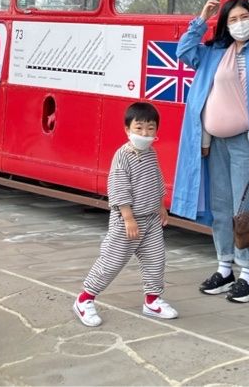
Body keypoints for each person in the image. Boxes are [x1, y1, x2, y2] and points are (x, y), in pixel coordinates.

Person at [171, 0, 249, 304]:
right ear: (225, 24)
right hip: (213, 144)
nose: (239, 23)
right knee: (221, 209)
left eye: (243, 17)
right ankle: (225, 269)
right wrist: (201, 20)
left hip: (246, 145)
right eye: (233, 19)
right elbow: (183, 51)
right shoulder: (213, 52)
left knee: (246, 209)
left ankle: (248, 276)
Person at [73, 101, 177, 328]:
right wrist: (128, 218)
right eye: (139, 127)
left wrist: (160, 205)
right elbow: (119, 187)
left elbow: (157, 179)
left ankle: (152, 300)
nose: (144, 133)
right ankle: (85, 299)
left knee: (156, 260)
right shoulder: (123, 156)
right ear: (127, 129)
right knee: (111, 262)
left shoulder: (151, 153)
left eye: (150, 128)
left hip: (150, 219)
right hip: (126, 221)